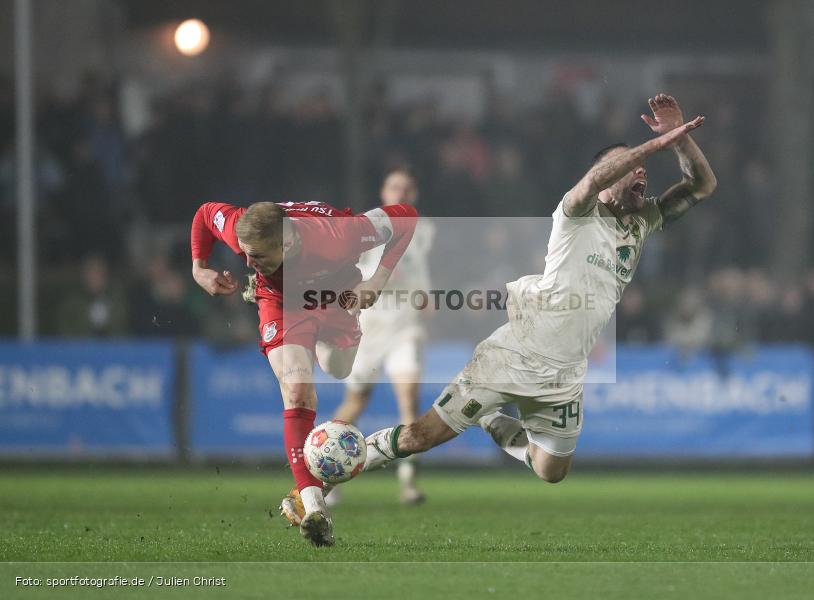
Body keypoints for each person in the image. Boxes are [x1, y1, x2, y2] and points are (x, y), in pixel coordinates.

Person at [361, 94, 716, 483]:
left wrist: (678, 137)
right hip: (517, 352)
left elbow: (702, 185)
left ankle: (492, 421)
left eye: (644, 166)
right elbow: (594, 179)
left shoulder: (642, 221)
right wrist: (654, 145)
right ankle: (344, 463)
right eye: (631, 165)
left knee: (550, 471)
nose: (642, 171)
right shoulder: (576, 211)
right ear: (607, 175)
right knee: (421, 436)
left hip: (565, 373)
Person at [190, 198, 417, 545]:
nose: (248, 262)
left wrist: (377, 279)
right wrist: (199, 266)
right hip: (281, 303)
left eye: (259, 257)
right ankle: (314, 507)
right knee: (296, 390)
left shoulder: (341, 236)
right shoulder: (242, 230)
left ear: (288, 242)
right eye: (247, 254)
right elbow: (206, 213)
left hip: (336, 298)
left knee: (337, 368)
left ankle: (345, 328)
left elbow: (406, 217)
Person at [330, 169, 435, 506]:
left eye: (406, 188)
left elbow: (418, 270)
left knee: (410, 401)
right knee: (356, 402)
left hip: (405, 325)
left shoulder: (425, 229)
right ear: (383, 192)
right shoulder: (367, 227)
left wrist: (425, 296)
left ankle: (408, 484)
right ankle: (325, 472)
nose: (400, 193)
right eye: (394, 187)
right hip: (370, 327)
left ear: (414, 194)